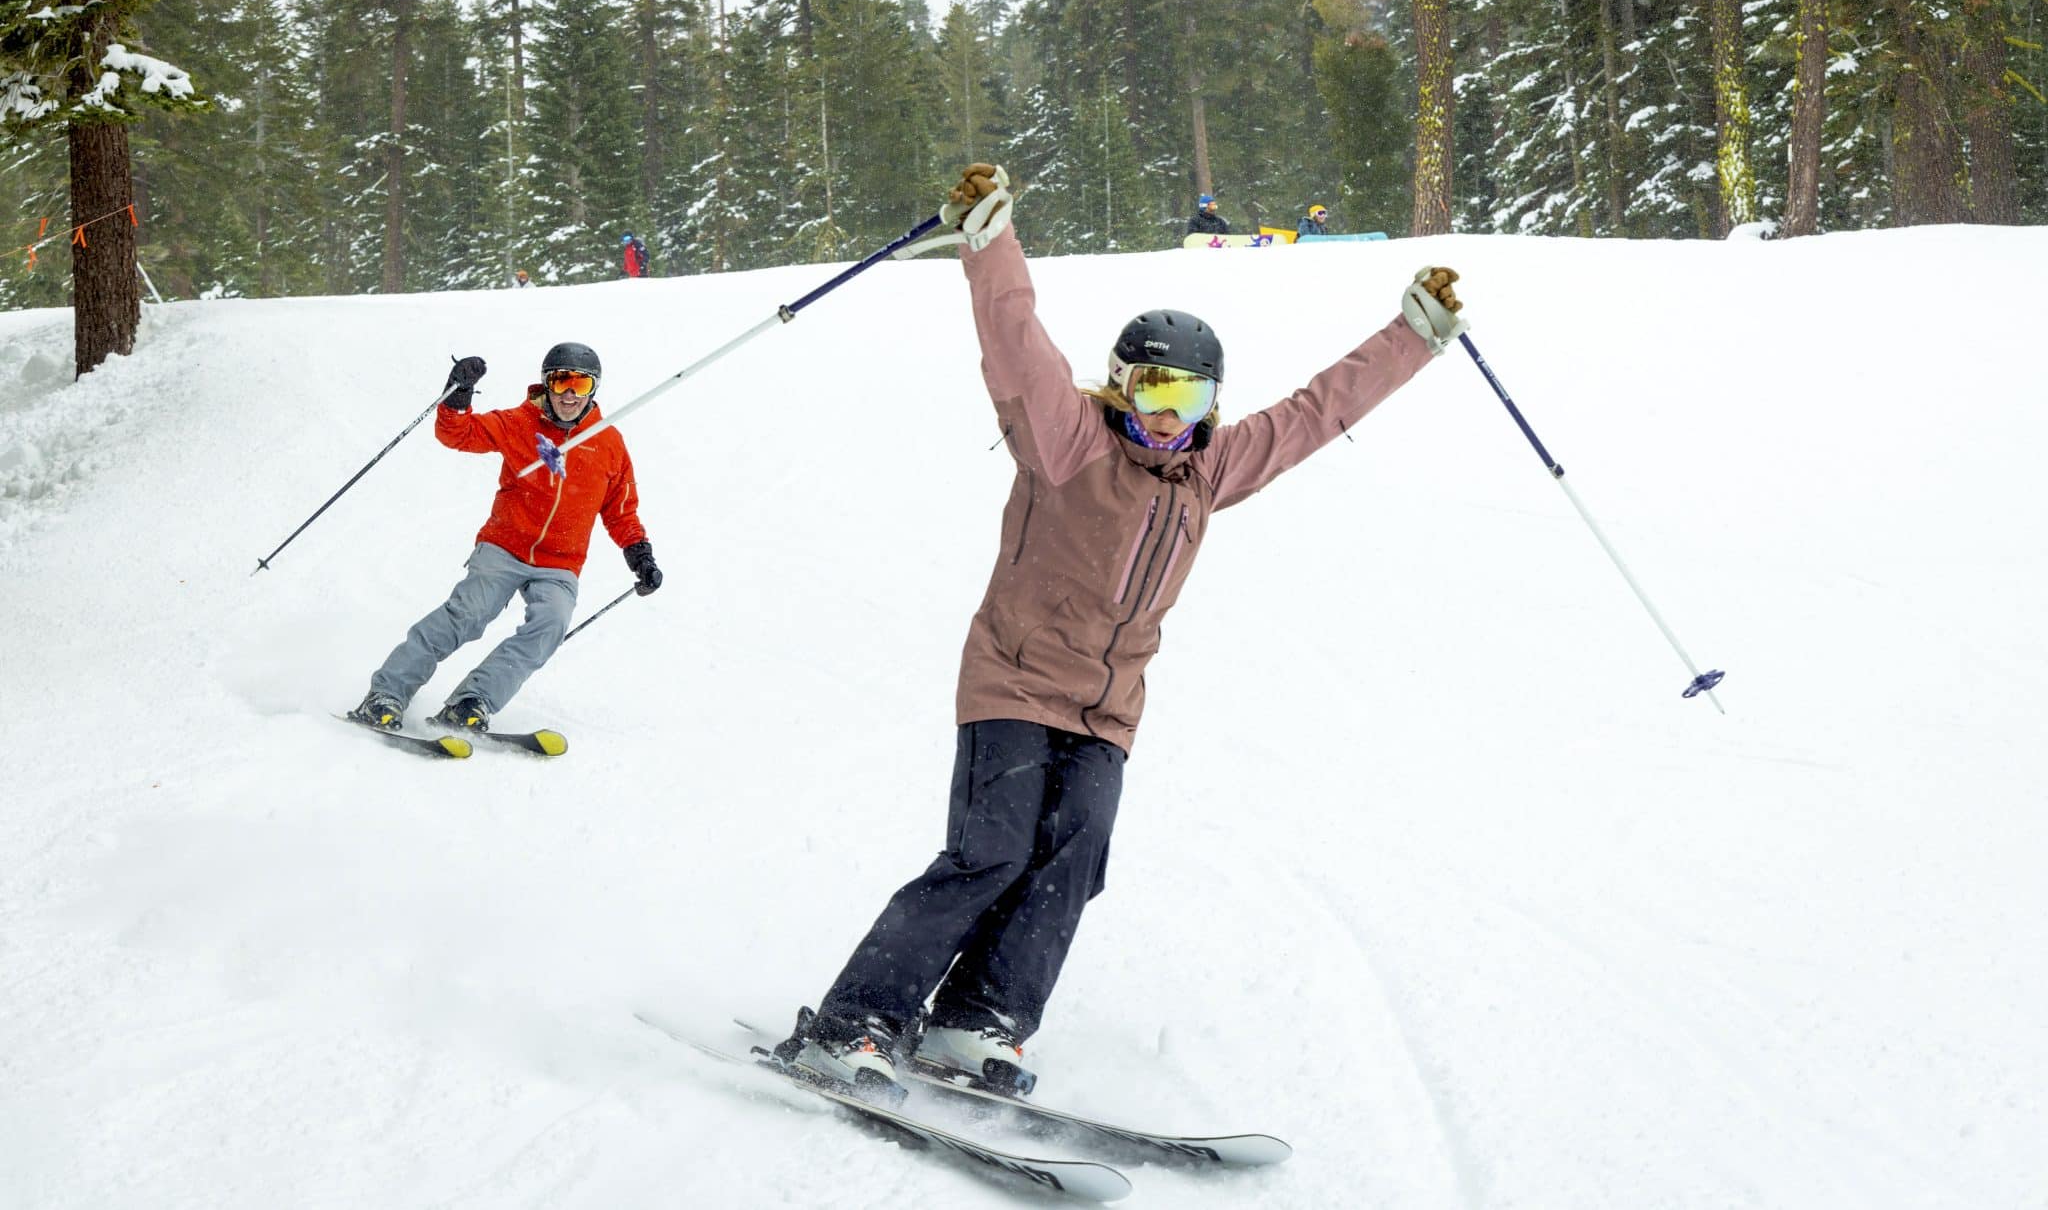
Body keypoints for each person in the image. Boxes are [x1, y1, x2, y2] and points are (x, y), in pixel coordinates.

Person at [775, 163, 1470, 1099]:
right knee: (990, 852)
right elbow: (1019, 347)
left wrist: (1412, 338)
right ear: (1120, 387)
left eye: (1190, 399)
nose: (1168, 418)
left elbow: (1316, 412)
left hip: (1108, 708)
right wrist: (990, 241)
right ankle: (855, 1019)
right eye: (1152, 394)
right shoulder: (1067, 444)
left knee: (1073, 859)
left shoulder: (1211, 470)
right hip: (1015, 681)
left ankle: (978, 1017)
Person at [347, 342, 663, 736]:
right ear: (546, 383)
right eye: (561, 381)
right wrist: (458, 394)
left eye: (580, 384)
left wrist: (640, 556)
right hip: (504, 547)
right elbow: (457, 434)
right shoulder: (520, 422)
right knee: (467, 614)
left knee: (551, 624)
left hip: (559, 564)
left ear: (593, 389)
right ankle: (386, 694)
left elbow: (621, 511)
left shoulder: (608, 443)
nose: (569, 394)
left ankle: (471, 702)